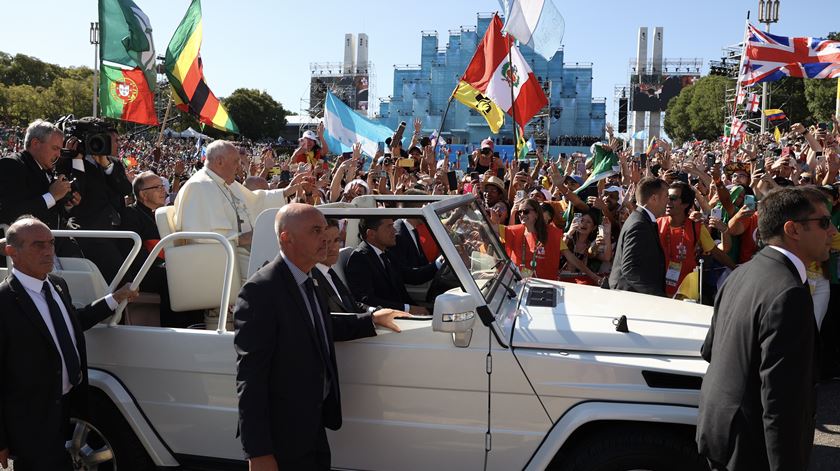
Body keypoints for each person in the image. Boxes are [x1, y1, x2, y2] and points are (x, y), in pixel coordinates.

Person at [233, 204, 404, 470]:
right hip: (283, 436)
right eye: (315, 231)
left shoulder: (309, 277)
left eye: (325, 229)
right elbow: (251, 379)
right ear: (286, 238)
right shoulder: (261, 291)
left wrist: (370, 321)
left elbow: (316, 324)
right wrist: (258, 452)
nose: (325, 237)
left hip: (312, 426)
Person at [697, 187, 836, 471]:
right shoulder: (788, 294)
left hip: (720, 435)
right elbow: (781, 403)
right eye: (823, 222)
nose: (833, 230)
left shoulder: (741, 273)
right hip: (751, 450)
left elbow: (709, 350)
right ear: (792, 229)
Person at [0, 216, 138, 470]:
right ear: (12, 252)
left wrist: (114, 299)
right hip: (31, 420)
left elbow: (73, 322)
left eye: (51, 244)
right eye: (38, 245)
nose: (48, 251)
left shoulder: (57, 285)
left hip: (68, 407)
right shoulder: (4, 301)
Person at [172, 140, 304, 283]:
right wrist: (243, 238)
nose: (239, 167)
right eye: (236, 162)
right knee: (279, 278)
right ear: (220, 161)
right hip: (223, 258)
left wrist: (286, 192)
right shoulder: (199, 186)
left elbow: (254, 201)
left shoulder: (226, 183)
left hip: (240, 250)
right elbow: (202, 236)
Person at [119, 171, 202, 328]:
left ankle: (198, 323)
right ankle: (176, 327)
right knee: (173, 277)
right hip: (145, 271)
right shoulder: (131, 214)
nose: (163, 190)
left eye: (163, 186)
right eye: (157, 187)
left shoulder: (166, 213)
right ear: (143, 194)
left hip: (168, 264)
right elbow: (135, 254)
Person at [57, 125, 132, 283]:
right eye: (114, 140)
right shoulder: (67, 162)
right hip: (90, 234)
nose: (117, 144)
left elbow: (125, 188)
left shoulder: (114, 163)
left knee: (127, 282)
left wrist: (106, 165)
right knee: (114, 283)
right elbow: (77, 192)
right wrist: (77, 158)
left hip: (119, 231)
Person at [314, 219, 411, 319]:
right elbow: (330, 320)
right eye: (326, 242)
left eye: (336, 240)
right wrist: (372, 318)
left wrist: (374, 312)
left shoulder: (330, 273)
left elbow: (353, 304)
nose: (333, 248)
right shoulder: (312, 278)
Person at [0, 119, 80, 231]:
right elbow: (11, 213)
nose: (58, 154)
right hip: (31, 244)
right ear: (35, 144)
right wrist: (52, 196)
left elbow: (51, 212)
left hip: (56, 240)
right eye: (55, 148)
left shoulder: (44, 166)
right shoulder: (11, 165)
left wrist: (66, 202)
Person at [345, 217, 431, 315]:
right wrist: (407, 309)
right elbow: (367, 300)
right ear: (371, 234)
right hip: (390, 321)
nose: (394, 230)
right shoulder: (359, 259)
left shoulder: (385, 253)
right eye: (389, 227)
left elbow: (411, 275)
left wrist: (438, 264)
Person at [504, 198, 601, 283]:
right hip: (519, 284)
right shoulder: (514, 231)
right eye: (519, 212)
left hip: (546, 287)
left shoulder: (552, 233)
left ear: (537, 214)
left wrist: (594, 276)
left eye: (525, 211)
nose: (521, 214)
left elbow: (571, 258)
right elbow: (491, 229)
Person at [609, 177, 668, 296]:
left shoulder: (642, 220)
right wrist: (657, 295)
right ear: (654, 198)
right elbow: (629, 268)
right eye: (666, 196)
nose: (668, 201)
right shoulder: (639, 224)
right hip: (630, 297)